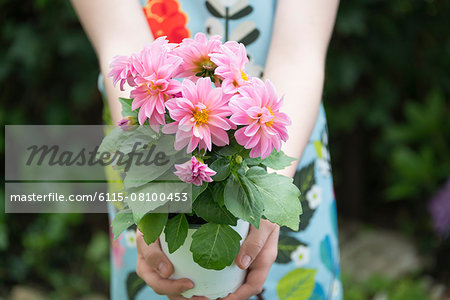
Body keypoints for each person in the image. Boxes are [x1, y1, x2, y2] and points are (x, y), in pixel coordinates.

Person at [72, 0, 341, 299]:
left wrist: (261, 203)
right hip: (151, 144)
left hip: (282, 134)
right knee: (161, 262)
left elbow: (300, 55)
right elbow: (121, 40)